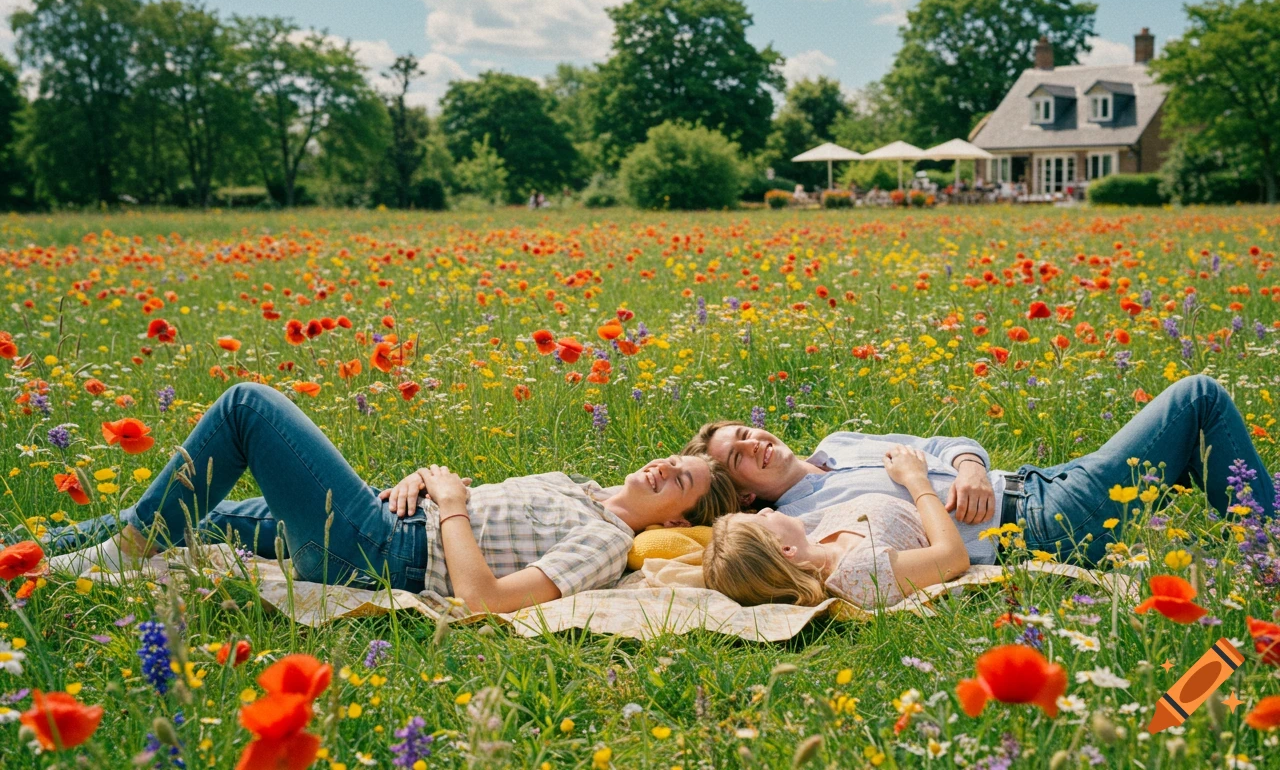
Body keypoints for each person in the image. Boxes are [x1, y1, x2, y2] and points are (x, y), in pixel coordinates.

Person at [43, 383, 738, 613]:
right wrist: (422, 482)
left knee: (247, 406)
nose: (660, 468)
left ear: (678, 518)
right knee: (209, 516)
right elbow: (451, 495)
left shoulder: (609, 542)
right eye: (670, 458)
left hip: (382, 552)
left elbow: (484, 600)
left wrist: (452, 502)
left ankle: (120, 552)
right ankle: (31, 555)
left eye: (679, 480)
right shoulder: (574, 487)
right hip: (386, 517)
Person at [687, 374, 1276, 569]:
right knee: (1198, 399)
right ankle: (1268, 553)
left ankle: (1264, 538)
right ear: (742, 496)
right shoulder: (800, 520)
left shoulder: (837, 441)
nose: (755, 443)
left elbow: (947, 440)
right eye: (739, 457)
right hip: (1046, 522)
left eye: (745, 432)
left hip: (1041, 480)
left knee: (1207, 451)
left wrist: (968, 465)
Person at [703, 445, 969, 608]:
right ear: (786, 550)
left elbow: (742, 556)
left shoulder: (813, 539)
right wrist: (916, 480)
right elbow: (952, 557)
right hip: (1003, 524)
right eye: (761, 518)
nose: (764, 510)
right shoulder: (860, 573)